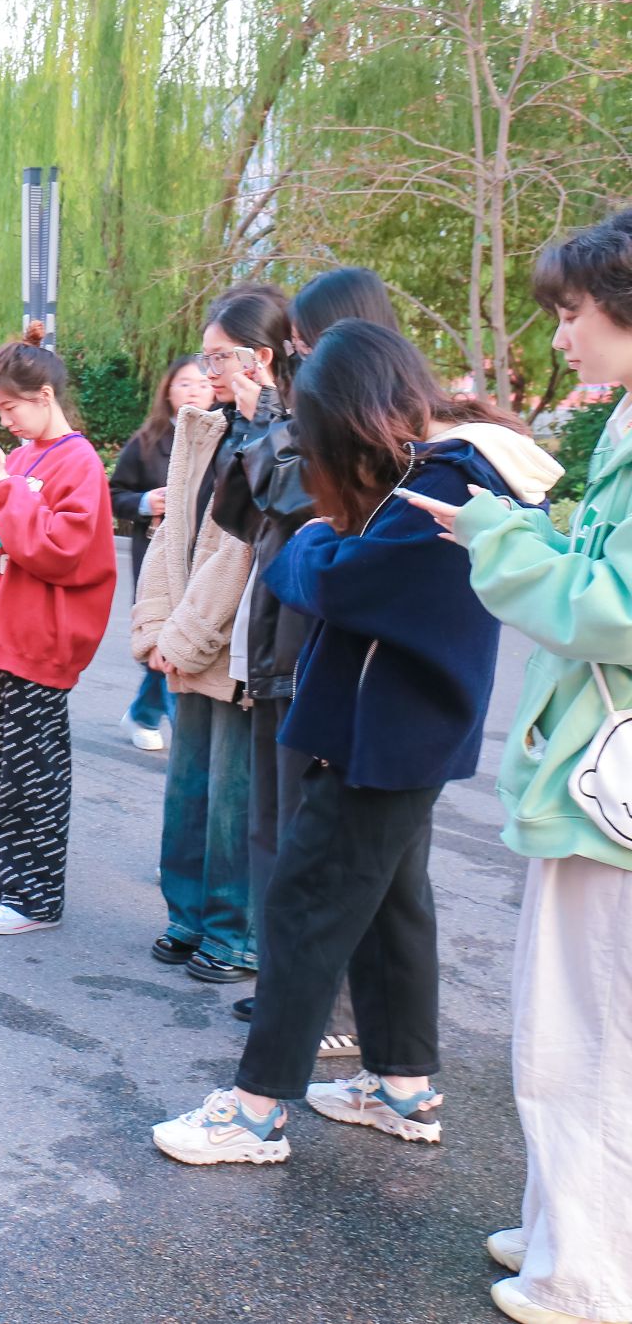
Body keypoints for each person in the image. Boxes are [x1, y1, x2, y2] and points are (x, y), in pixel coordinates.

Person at [152, 322, 554, 1185]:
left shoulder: (443, 485)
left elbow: (329, 577)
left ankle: (255, 1108)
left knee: (305, 904)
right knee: (390, 907)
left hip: (379, 733)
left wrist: (310, 544)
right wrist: (325, 548)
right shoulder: (460, 467)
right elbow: (342, 568)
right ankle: (403, 1086)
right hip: (406, 729)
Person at [430, 209, 632, 1324]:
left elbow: (611, 607)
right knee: (569, 1023)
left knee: (588, 1034)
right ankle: (563, 1226)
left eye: (573, 311)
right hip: (596, 775)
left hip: (610, 790)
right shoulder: (622, 422)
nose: (559, 335)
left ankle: (588, 1272)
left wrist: (499, 539)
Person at [217, 267, 402, 1048]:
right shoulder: (292, 416)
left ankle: (332, 1011)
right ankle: (286, 986)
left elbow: (305, 504)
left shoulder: (384, 429)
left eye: (303, 343)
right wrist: (257, 425)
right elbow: (239, 511)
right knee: (272, 831)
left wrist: (272, 424)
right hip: (273, 640)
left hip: (324, 656)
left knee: (318, 843)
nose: (294, 357)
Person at [132, 286, 285, 985]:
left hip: (240, 640)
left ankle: (233, 933)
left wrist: (183, 637)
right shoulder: (206, 429)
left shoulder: (280, 437)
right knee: (188, 787)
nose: (207, 370)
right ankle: (187, 914)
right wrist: (157, 632)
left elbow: (240, 550)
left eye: (219, 357)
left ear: (261, 357)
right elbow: (174, 537)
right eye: (206, 356)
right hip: (186, 632)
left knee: (232, 796)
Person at [0, 324, 116, 933]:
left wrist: (6, 487)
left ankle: (36, 898)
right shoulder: (17, 457)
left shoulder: (79, 461)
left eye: (11, 407)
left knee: (32, 774)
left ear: (45, 396)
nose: (5, 419)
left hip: (38, 643)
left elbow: (61, 550)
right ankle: (0, 879)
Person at [108, 358, 208, 749]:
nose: (195, 390)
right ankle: (188, 741)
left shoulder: (227, 436)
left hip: (204, 558)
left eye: (203, 383)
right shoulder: (147, 442)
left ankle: (143, 713)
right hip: (157, 557)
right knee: (165, 639)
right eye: (185, 383)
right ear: (168, 391)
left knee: (176, 641)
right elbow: (114, 494)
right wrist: (144, 502)